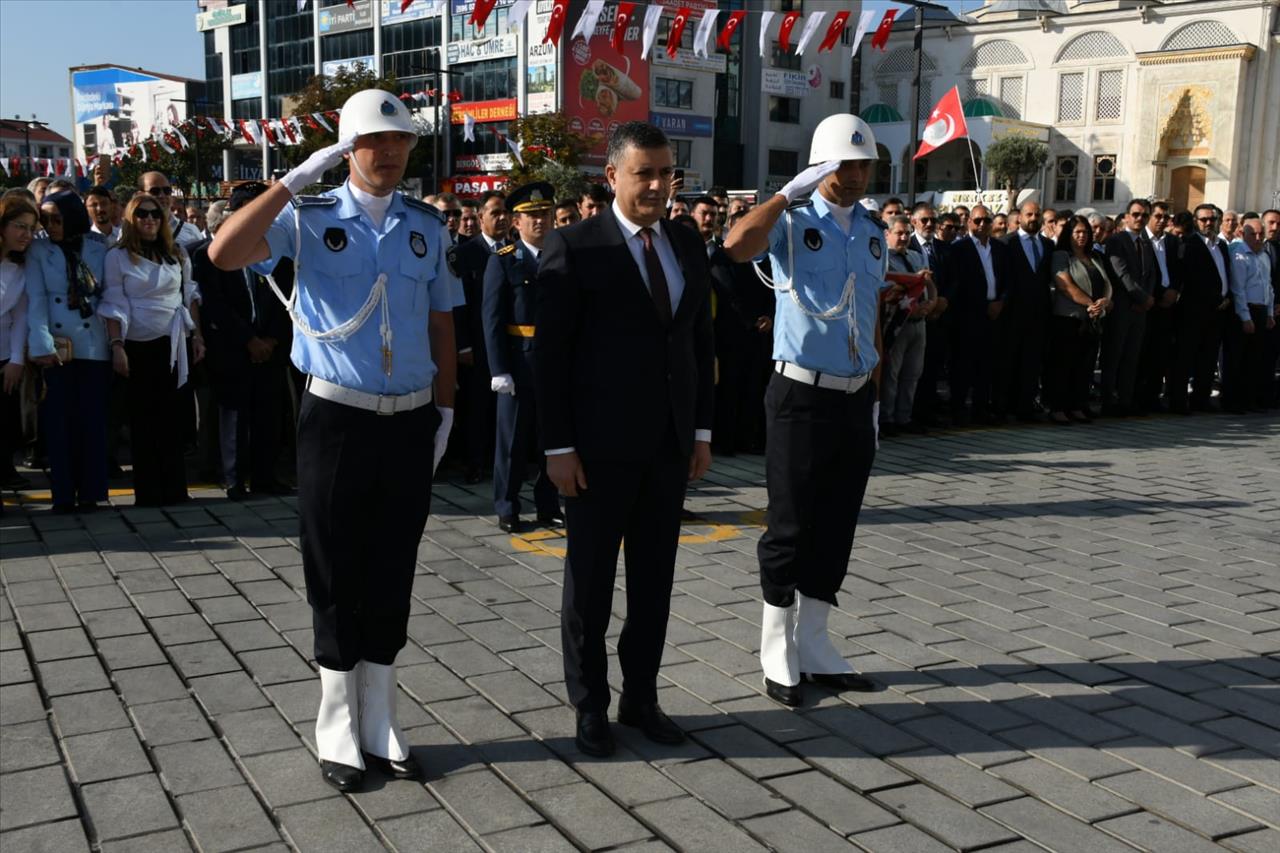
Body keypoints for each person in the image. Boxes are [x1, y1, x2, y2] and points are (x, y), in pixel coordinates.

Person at [208, 88, 461, 793]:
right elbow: (225, 252)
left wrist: (445, 410)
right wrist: (291, 181)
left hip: (409, 418)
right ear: (348, 148)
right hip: (337, 418)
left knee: (393, 566)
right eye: (374, 140)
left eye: (400, 140)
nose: (388, 152)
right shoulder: (307, 218)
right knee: (334, 567)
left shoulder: (426, 226)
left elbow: (443, 321)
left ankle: (381, 718)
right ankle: (336, 724)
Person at [537, 121, 713, 757]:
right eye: (645, 174)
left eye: (667, 174)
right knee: (589, 582)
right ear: (612, 176)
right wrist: (558, 447)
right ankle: (590, 704)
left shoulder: (686, 243)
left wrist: (699, 431)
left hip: (666, 446)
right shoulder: (575, 246)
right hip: (595, 450)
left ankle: (643, 695)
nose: (659, 186)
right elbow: (551, 358)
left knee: (654, 580)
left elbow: (696, 344)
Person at [725, 113, 885, 707]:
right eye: (845, 164)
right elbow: (737, 247)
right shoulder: (791, 221)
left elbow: (870, 317)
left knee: (836, 525)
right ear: (821, 166)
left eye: (864, 164)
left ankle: (815, 645)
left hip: (854, 394)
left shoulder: (873, 230)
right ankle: (776, 651)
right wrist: (785, 194)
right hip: (800, 393)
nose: (856, 174)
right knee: (790, 524)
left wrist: (875, 397)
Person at [99, 194, 205, 507]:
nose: (149, 220)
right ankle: (148, 492)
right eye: (142, 215)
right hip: (137, 347)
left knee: (173, 419)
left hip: (174, 344)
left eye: (155, 215)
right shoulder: (117, 256)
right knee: (143, 421)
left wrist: (197, 336)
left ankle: (175, 489)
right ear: (132, 219)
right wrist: (117, 346)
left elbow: (189, 295)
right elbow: (113, 303)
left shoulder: (176, 253)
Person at [192, 182, 292, 499]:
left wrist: (272, 339)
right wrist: (248, 339)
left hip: (270, 347)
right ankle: (234, 479)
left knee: (269, 413)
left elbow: (288, 298)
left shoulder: (280, 252)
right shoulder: (206, 254)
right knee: (234, 413)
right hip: (233, 347)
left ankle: (265, 476)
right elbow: (214, 304)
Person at [482, 182, 563, 533]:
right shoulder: (503, 261)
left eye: (544, 215)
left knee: (551, 440)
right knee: (512, 442)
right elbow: (492, 319)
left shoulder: (562, 257)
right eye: (531, 217)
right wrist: (499, 369)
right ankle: (507, 506)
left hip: (553, 363)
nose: (539, 222)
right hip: (518, 362)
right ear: (516, 222)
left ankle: (548, 505)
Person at [24, 191, 112, 512]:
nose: (50, 226)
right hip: (58, 344)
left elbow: (110, 292)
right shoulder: (39, 249)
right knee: (59, 422)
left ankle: (91, 490)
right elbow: (35, 299)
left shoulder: (99, 246)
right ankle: (62, 493)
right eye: (45, 220)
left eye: (57, 219)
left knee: (92, 420)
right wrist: (41, 344)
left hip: (94, 343)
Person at [453, 190, 508, 483]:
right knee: (476, 407)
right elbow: (457, 304)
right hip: (475, 343)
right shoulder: (466, 253)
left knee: (505, 408)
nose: (501, 218)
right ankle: (474, 463)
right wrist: (462, 345)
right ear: (481, 217)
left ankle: (501, 462)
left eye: (505, 213)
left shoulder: (514, 250)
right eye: (494, 213)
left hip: (506, 344)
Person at [948, 205, 1010, 426]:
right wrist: (982, 305)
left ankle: (981, 409)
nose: (982, 224)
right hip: (969, 317)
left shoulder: (1000, 248)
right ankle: (958, 410)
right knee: (963, 366)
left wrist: (1001, 300)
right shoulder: (959, 249)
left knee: (987, 366)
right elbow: (958, 284)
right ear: (969, 223)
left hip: (995, 315)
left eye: (986, 220)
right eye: (977, 221)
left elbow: (1007, 279)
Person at [1047, 215, 1111, 424]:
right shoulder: (1061, 255)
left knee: (1084, 365)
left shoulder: (1095, 257)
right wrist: (1090, 304)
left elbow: (1107, 284)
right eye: (1077, 232)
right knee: (1064, 365)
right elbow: (1065, 285)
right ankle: (1058, 407)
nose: (1082, 236)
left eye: (1085, 232)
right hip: (1068, 319)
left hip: (1092, 321)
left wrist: (1105, 302)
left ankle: (1077, 405)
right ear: (1069, 234)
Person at [1169, 206, 1231, 413]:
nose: (1208, 223)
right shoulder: (1189, 245)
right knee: (1186, 358)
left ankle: (1201, 399)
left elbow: (1225, 275)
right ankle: (1179, 402)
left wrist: (1226, 296)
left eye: (1212, 219)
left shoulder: (1221, 245)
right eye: (1203, 219)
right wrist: (1214, 299)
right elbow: (1190, 278)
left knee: (1208, 357)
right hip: (1194, 312)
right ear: (1196, 221)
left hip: (1218, 312)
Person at [995, 200, 1054, 421]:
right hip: (1011, 315)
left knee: (1031, 362)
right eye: (1029, 214)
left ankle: (1025, 407)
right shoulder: (1005, 244)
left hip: (1038, 315)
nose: (1033, 219)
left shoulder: (1047, 246)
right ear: (1020, 217)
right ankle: (1003, 407)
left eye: (1037, 215)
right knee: (1008, 362)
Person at [1101, 199, 1158, 416]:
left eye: (1144, 215)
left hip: (1140, 310)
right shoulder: (1117, 241)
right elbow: (1121, 274)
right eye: (1135, 214)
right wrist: (1142, 298)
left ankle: (1125, 401)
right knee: (1113, 356)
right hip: (1122, 308)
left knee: (1132, 357)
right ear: (1126, 216)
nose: (1139, 219)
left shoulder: (1145, 242)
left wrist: (1148, 297)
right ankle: (1108, 401)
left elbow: (1151, 273)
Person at [880, 214, 935, 436]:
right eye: (898, 233)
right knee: (891, 373)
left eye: (906, 233)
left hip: (919, 320)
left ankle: (904, 417)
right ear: (887, 234)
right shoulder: (882, 258)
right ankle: (887, 418)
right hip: (896, 321)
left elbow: (930, 283)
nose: (903, 238)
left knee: (913, 372)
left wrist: (931, 303)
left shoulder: (916, 255)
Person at [0, 196, 37, 492]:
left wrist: (16, 360)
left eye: (31, 228)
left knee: (8, 422)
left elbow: (20, 315)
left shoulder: (20, 268)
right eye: (19, 226)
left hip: (4, 353)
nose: (26, 234)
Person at [1223, 214, 1275, 413]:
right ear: (1243, 234)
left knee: (1254, 358)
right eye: (1253, 234)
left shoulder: (1263, 255)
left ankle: (1248, 398)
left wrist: (1269, 313)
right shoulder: (1239, 254)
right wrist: (1245, 317)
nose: (1258, 237)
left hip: (1261, 309)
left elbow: (1267, 286)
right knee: (1237, 357)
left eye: (1261, 233)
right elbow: (1238, 288)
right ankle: (1231, 400)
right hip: (1244, 310)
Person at [1135, 200, 1179, 412]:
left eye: (1165, 217)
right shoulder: (1140, 240)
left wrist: (1174, 291)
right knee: (1143, 353)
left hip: (1168, 305)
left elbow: (1178, 270)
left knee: (1160, 354)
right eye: (1157, 216)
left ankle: (1153, 397)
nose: (1162, 221)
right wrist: (1157, 295)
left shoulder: (1171, 242)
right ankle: (1138, 398)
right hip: (1148, 304)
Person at [909, 203, 951, 428]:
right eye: (924, 220)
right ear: (914, 222)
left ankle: (927, 411)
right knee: (912, 369)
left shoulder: (944, 248)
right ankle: (909, 413)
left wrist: (943, 300)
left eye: (932, 221)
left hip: (938, 317)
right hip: (914, 315)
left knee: (932, 365)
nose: (929, 224)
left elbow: (954, 278)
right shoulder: (908, 245)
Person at [140, 172, 204, 250]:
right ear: (140, 194)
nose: (162, 195)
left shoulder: (191, 230)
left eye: (167, 191)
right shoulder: (131, 230)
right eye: (155, 191)